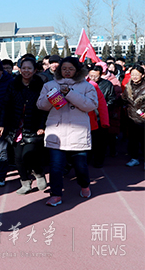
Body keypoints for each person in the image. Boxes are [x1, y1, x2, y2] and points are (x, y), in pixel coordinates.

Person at [37, 57, 98, 207]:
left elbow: (91, 105)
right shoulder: (50, 85)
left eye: (71, 69)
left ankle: (85, 185)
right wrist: (52, 96)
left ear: (77, 70)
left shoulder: (86, 86)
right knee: (55, 166)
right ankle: (56, 195)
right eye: (64, 68)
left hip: (78, 132)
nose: (67, 71)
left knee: (80, 166)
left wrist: (70, 94)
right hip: (57, 131)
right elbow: (40, 105)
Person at [0, 56, 48, 194]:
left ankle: (38, 172)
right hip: (15, 126)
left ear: (35, 70)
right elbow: (5, 106)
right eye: (23, 68)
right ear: (19, 69)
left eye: (29, 68)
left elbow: (46, 109)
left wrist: (42, 126)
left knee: (29, 154)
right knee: (18, 158)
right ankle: (25, 182)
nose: (26, 71)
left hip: (33, 126)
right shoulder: (13, 84)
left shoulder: (42, 85)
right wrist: (2, 125)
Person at [122, 65, 145, 167]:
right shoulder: (128, 86)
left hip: (143, 118)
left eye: (137, 74)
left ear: (142, 75)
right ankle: (134, 158)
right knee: (133, 139)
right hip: (131, 116)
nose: (134, 77)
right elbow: (124, 99)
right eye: (132, 74)